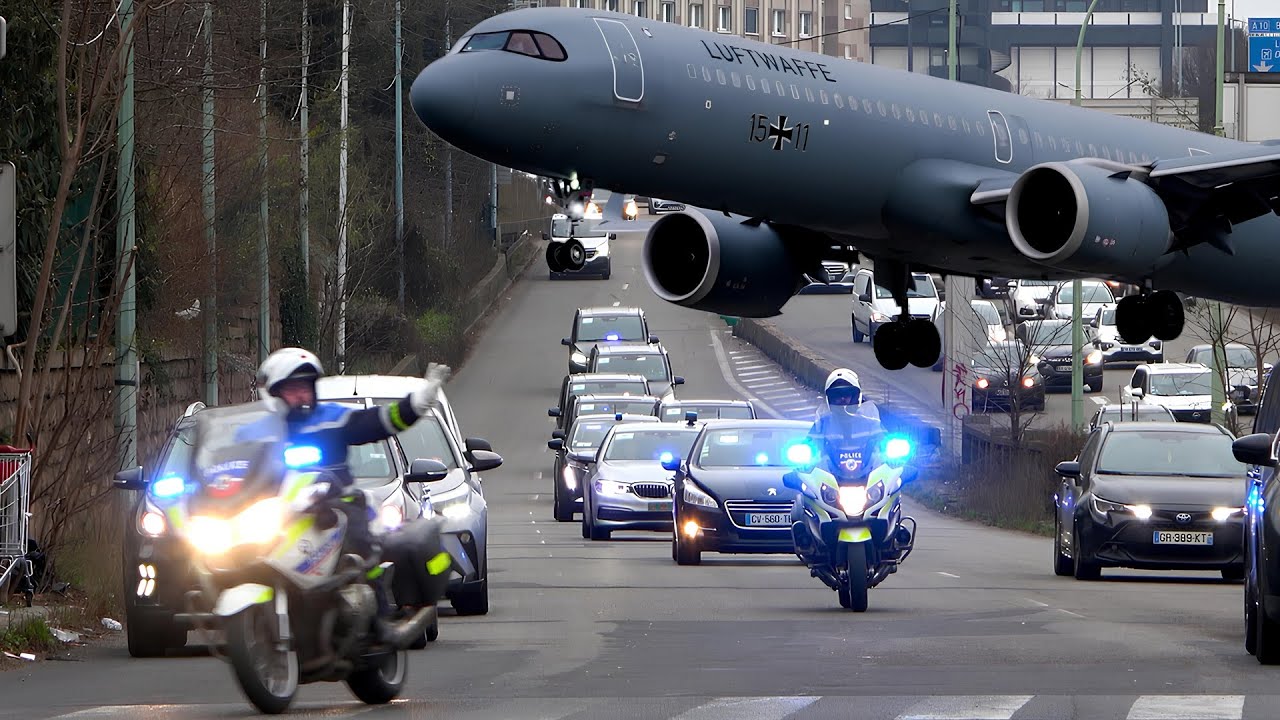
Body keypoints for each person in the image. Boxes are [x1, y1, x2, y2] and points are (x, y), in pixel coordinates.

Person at [254, 347, 449, 662]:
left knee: (359, 552)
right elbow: (227, 460)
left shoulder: (331, 417)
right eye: (292, 389)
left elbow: (380, 420)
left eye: (305, 387)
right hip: (281, 513)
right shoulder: (258, 431)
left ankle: (378, 622)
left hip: (337, 506)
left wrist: (418, 402)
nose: (301, 395)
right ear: (274, 394)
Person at [808, 369, 884, 481]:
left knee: (893, 492)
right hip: (829, 481)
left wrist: (895, 458)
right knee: (805, 495)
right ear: (830, 398)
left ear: (855, 396)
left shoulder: (870, 422)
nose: (842, 399)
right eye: (837, 395)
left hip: (868, 479)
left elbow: (884, 442)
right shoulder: (822, 424)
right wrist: (804, 462)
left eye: (847, 394)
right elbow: (809, 445)